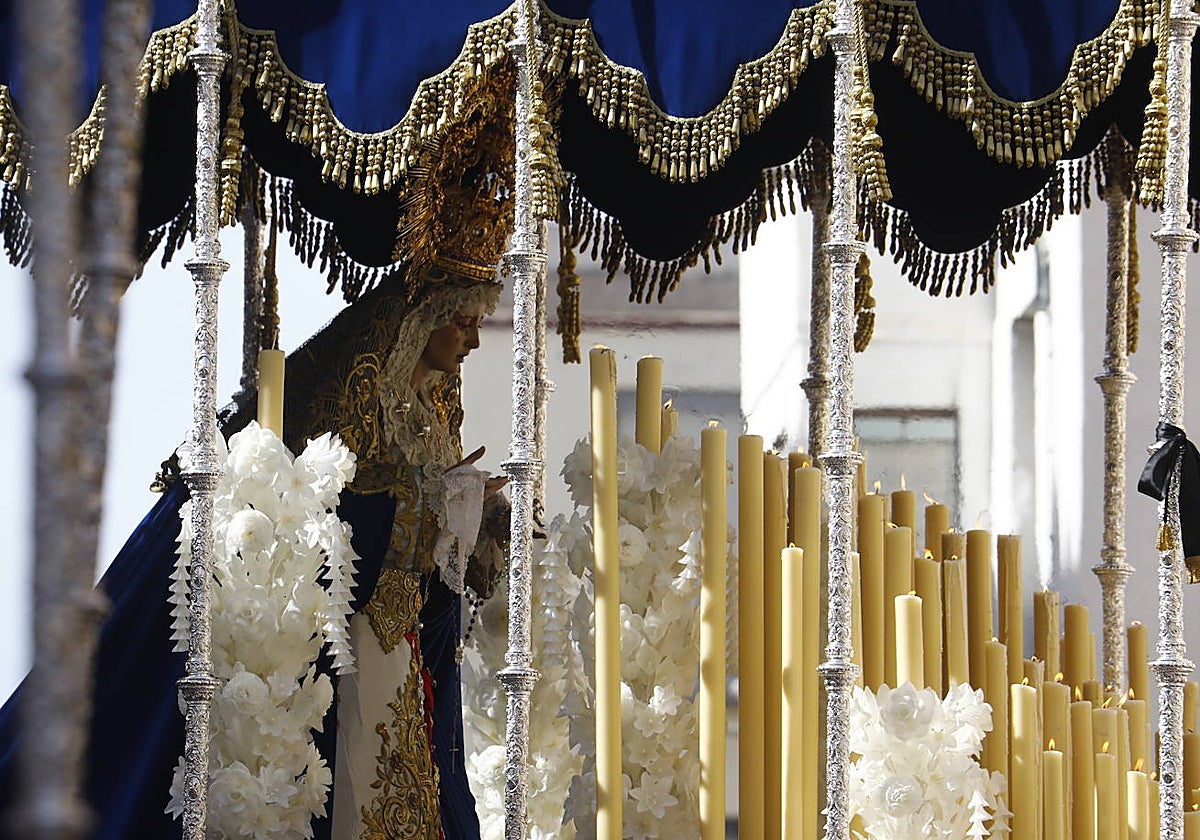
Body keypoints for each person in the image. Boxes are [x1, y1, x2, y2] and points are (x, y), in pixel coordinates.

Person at [0, 250, 510, 840]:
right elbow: (320, 516)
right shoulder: (346, 404)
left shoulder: (429, 418)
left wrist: (482, 523)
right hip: (337, 655)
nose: (471, 340)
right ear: (424, 316)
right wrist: (427, 506)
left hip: (398, 661)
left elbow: (436, 568)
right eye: (463, 320)